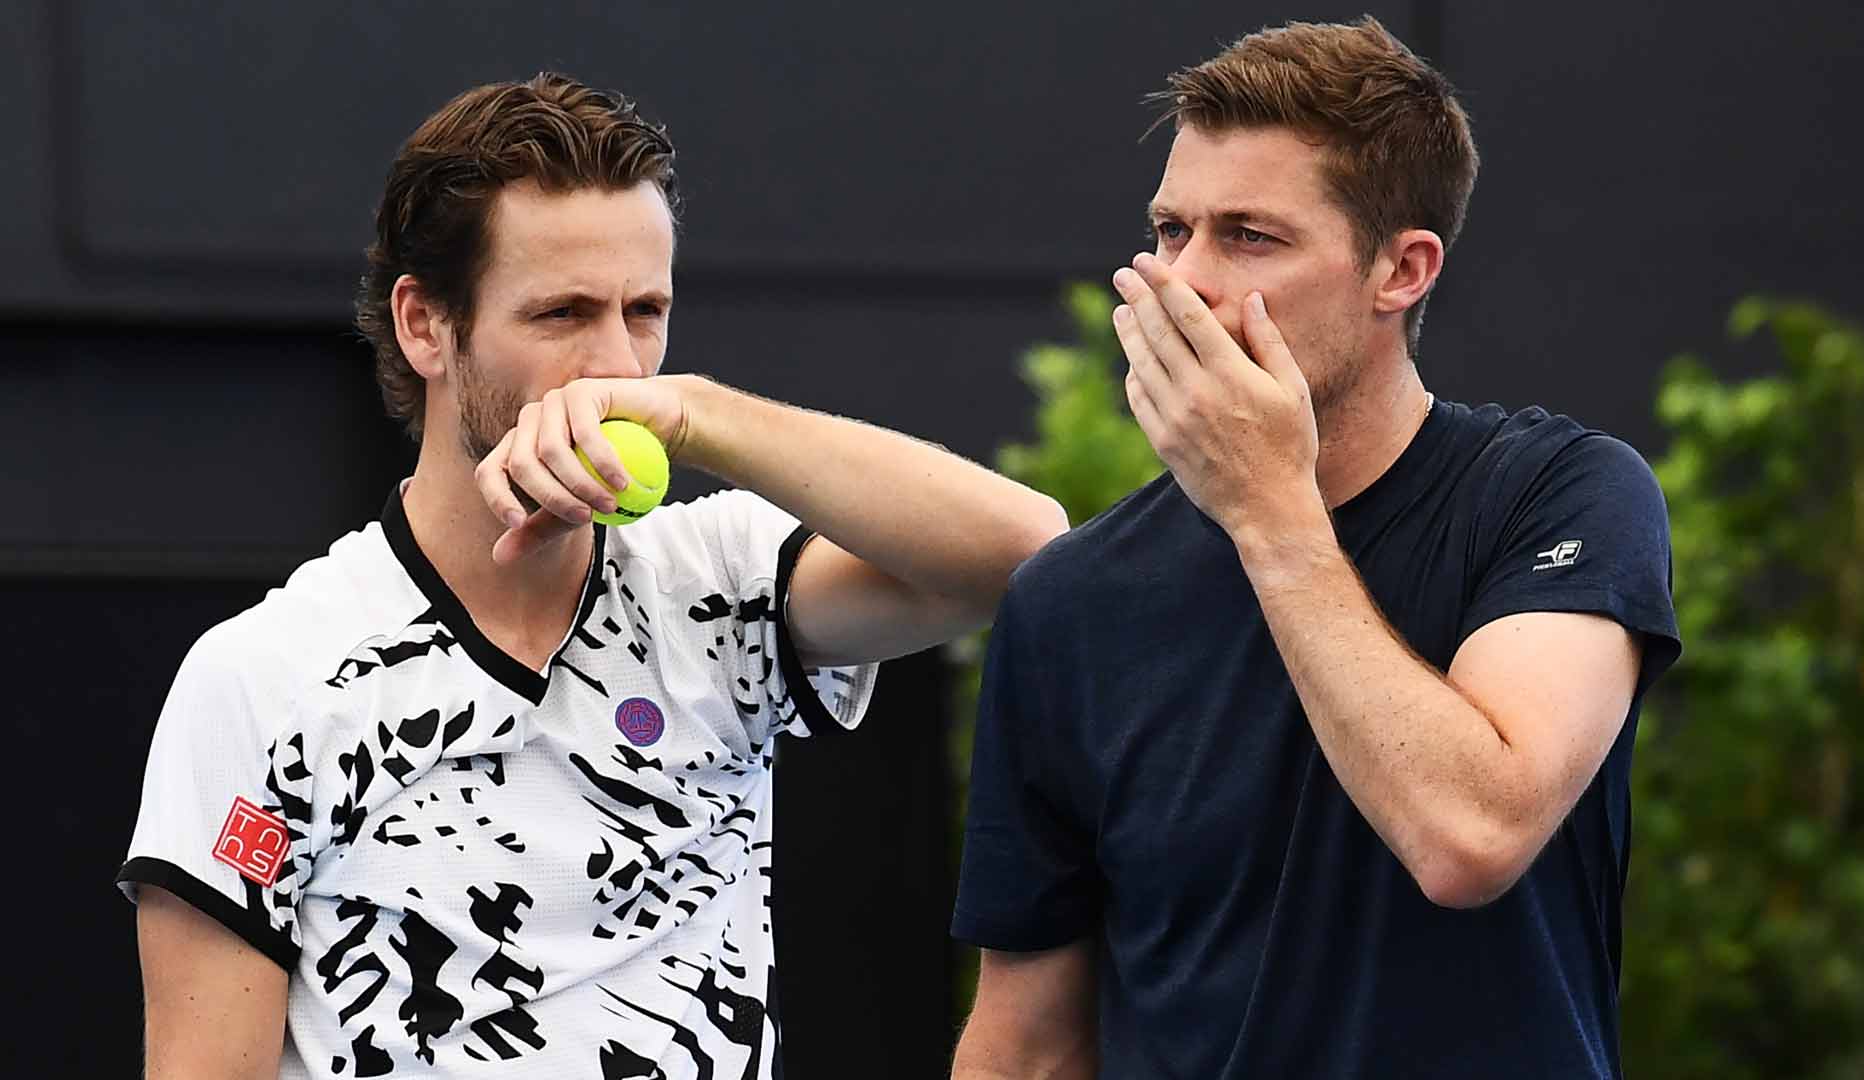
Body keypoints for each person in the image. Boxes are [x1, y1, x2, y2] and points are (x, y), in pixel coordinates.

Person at [117, 73, 1066, 1079]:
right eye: (563, 314)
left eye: (645, 310)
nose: (616, 367)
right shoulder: (267, 678)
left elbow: (1025, 554)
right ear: (424, 325)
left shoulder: (724, 574)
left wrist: (699, 414)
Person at [951, 17, 1680, 1079]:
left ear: (1402, 270)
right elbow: (1026, 1047)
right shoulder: (1073, 598)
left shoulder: (1556, 494)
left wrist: (1269, 511)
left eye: (1250, 237)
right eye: (1169, 231)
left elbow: (1471, 834)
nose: (1183, 281)